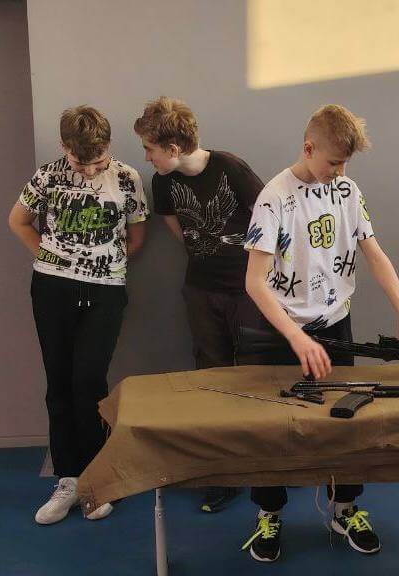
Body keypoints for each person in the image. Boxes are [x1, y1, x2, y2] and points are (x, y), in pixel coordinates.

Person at [242, 104, 399, 561]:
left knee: (346, 420)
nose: (340, 172)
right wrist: (296, 337)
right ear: (308, 148)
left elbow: (375, 254)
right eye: (333, 162)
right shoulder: (273, 198)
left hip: (334, 324)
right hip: (283, 331)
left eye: (346, 164)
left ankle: (345, 508)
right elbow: (254, 282)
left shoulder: (347, 189)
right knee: (273, 428)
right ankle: (269, 514)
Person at [8, 105, 149, 524]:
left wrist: (100, 266)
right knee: (59, 385)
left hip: (104, 290)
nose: (89, 171)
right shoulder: (48, 176)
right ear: (64, 147)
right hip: (52, 289)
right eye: (79, 161)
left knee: (89, 382)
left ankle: (98, 479)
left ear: (108, 145)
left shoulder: (126, 177)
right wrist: (52, 259)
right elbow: (18, 221)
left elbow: (137, 235)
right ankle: (68, 479)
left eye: (97, 161)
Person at [134, 96, 264, 512]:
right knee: (212, 375)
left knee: (258, 375)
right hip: (201, 290)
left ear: (173, 148)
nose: (147, 157)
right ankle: (222, 472)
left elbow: (271, 218)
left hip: (250, 290)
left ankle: (268, 466)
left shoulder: (230, 168)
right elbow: (178, 232)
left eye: (150, 149)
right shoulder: (163, 183)